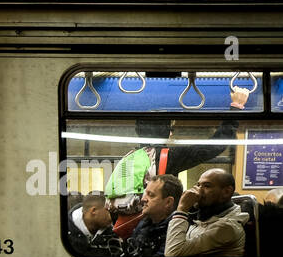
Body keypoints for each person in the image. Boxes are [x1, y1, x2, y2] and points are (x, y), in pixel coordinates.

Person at [104, 86, 248, 216]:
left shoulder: (131, 157)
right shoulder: (165, 156)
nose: (172, 134)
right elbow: (215, 146)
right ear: (165, 131)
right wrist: (236, 107)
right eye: (170, 129)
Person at [164, 168, 248, 257]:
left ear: (226, 192)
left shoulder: (227, 227)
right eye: (198, 185)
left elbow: (173, 253)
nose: (199, 191)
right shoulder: (207, 215)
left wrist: (182, 209)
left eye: (207, 186)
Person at [125, 174, 180, 257]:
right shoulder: (143, 223)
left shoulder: (176, 232)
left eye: (150, 195)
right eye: (145, 193)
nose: (143, 199)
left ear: (168, 202)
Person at [67, 192, 125, 257]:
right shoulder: (63, 236)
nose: (113, 216)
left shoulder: (111, 233)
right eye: (109, 211)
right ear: (93, 211)